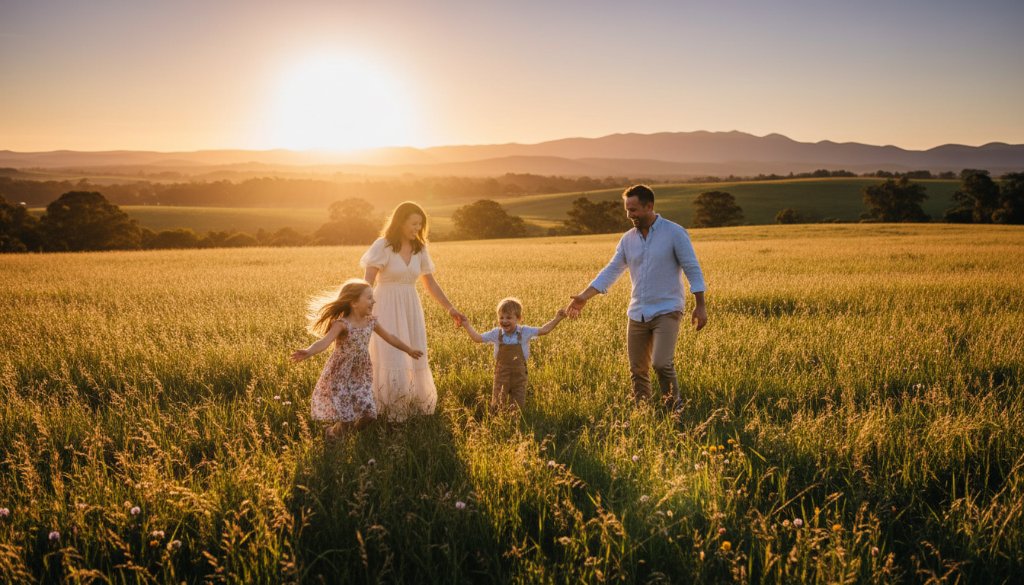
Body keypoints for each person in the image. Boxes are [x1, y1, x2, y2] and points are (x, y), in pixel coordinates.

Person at [567, 184, 707, 409]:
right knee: (637, 369)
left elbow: (692, 269)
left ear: (649, 206)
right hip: (637, 312)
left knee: (661, 363)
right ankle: (642, 412)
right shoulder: (627, 239)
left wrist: (700, 305)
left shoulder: (674, 233)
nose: (629, 215)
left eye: (633, 210)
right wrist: (584, 296)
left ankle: (674, 410)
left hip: (667, 309)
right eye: (627, 210)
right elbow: (611, 270)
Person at [360, 202, 465, 421]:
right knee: (391, 354)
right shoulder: (384, 246)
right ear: (400, 222)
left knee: (413, 353)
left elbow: (431, 283)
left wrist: (450, 308)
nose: (417, 228)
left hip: (410, 307)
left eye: (420, 224)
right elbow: (368, 280)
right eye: (413, 223)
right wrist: (363, 308)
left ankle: (411, 407)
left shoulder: (420, 248)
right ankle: (386, 410)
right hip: (385, 305)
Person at [290, 279, 424, 439]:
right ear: (354, 303)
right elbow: (324, 342)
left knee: (370, 414)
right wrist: (308, 351)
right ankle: (333, 434)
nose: (373, 301)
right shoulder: (342, 324)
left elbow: (390, 337)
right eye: (369, 297)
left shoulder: (371, 321)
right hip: (340, 374)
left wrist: (408, 349)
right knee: (346, 419)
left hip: (361, 373)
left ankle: (347, 434)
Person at [459, 297, 567, 412]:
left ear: (518, 318)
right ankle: (497, 422)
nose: (504, 321)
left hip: (519, 375)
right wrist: (467, 325)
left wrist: (557, 318)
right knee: (497, 403)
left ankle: (515, 424)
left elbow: (544, 330)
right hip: (501, 374)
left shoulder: (525, 331)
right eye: (501, 317)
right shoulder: (496, 333)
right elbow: (478, 338)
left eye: (509, 317)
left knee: (518, 404)